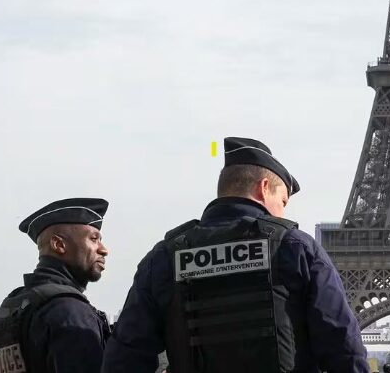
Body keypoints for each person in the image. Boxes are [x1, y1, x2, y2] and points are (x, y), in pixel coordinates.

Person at [102, 137, 370, 373]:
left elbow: (126, 357)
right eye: (283, 201)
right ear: (264, 187)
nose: (283, 212)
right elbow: (343, 345)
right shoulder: (296, 248)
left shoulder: (164, 257)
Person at [0, 198, 111, 373]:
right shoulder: (70, 311)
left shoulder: (11, 307)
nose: (104, 249)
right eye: (94, 239)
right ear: (59, 244)